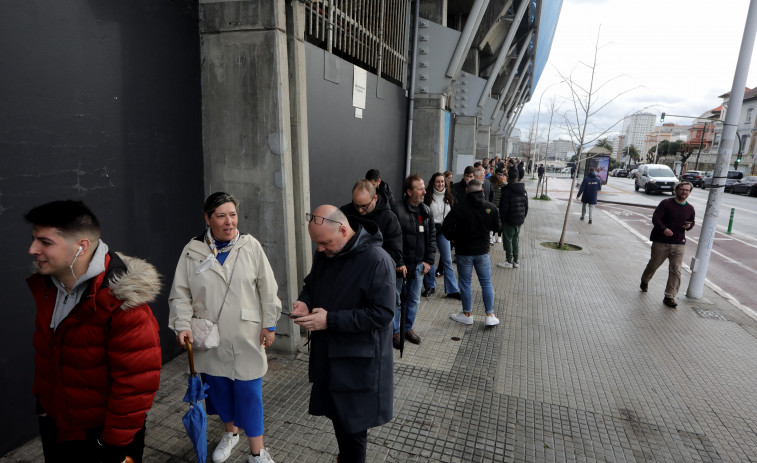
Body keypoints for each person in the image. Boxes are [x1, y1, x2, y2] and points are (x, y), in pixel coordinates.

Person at [26, 200, 161, 463]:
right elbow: (49, 355)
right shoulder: (49, 287)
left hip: (104, 439)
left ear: (81, 246)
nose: (33, 250)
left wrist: (113, 446)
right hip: (60, 427)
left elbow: (135, 387)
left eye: (45, 242)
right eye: (34, 240)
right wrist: (44, 405)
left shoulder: (124, 305)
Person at [169, 192, 281, 463]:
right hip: (209, 338)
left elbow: (268, 288)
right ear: (208, 218)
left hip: (247, 334)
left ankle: (257, 452)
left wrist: (269, 324)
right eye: (221, 216)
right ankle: (230, 434)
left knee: (249, 394)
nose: (229, 221)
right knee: (219, 392)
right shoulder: (192, 250)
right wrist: (182, 326)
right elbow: (180, 293)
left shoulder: (250, 246)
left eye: (232, 214)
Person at [291, 205, 395, 463]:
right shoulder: (325, 252)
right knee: (340, 420)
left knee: (353, 429)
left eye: (325, 242)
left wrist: (330, 320)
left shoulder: (377, 260)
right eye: (317, 243)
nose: (320, 249)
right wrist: (305, 300)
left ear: (343, 229)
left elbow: (382, 314)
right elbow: (311, 284)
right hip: (329, 355)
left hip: (359, 365)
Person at [442, 180, 501, 327]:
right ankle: (490, 315)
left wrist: (454, 238)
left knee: (465, 283)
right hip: (483, 252)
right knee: (486, 283)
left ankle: (467, 314)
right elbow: (497, 226)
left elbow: (445, 227)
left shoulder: (459, 207)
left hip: (464, 252)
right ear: (482, 190)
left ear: (467, 191)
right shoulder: (491, 207)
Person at [395, 174, 436, 347]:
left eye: (424, 188)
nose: (424, 192)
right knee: (396, 300)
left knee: (414, 300)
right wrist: (398, 262)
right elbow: (391, 239)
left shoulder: (425, 211)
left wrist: (428, 261)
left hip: (419, 265)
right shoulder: (396, 209)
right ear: (409, 191)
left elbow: (432, 236)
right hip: (400, 267)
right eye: (420, 189)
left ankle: (408, 329)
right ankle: (395, 332)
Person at [640, 182, 696, 308]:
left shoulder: (690, 208)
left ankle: (669, 296)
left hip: (679, 243)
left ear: (689, 192)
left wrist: (689, 226)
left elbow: (691, 222)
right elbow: (656, 218)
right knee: (653, 265)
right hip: (661, 242)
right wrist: (663, 228)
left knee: (676, 270)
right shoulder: (666, 203)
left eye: (687, 190)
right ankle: (645, 280)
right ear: (676, 190)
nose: (684, 192)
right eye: (682, 189)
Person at [422, 172, 460, 300]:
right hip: (430, 230)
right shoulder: (427, 196)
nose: (440, 184)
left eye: (442, 181)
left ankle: (452, 290)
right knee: (430, 259)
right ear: (433, 182)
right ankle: (430, 285)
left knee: (447, 260)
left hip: (444, 231)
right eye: (438, 181)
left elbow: (455, 214)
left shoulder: (450, 196)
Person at [497, 172, 529, 269]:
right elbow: (526, 206)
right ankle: (516, 260)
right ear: (517, 178)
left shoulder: (507, 191)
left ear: (507, 178)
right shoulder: (523, 190)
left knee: (507, 240)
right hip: (519, 219)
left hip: (509, 220)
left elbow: (504, 208)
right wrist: (523, 217)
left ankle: (508, 261)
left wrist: (502, 220)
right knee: (515, 239)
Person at [488, 168, 507, 244]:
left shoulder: (503, 184)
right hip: (490, 205)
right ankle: (491, 236)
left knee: (499, 221)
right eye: (498, 174)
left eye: (501, 175)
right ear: (495, 174)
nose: (499, 176)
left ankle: (499, 235)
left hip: (499, 206)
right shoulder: (489, 181)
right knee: (490, 221)